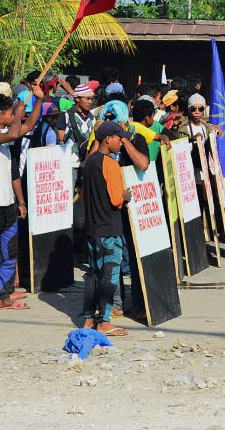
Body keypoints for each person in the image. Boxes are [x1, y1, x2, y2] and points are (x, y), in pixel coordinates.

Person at [0, 85, 43, 310]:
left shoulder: (4, 136)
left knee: (9, 255)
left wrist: (39, 99)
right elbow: (14, 130)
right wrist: (18, 114)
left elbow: (28, 125)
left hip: (8, 206)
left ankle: (4, 296)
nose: (10, 115)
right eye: (4, 111)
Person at [81, 121, 132, 336]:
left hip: (93, 228)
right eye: (119, 138)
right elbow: (115, 199)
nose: (121, 142)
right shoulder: (111, 165)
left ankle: (88, 319)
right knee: (110, 276)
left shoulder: (90, 162)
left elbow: (85, 195)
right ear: (107, 139)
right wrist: (126, 196)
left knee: (93, 275)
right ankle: (104, 321)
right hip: (109, 229)